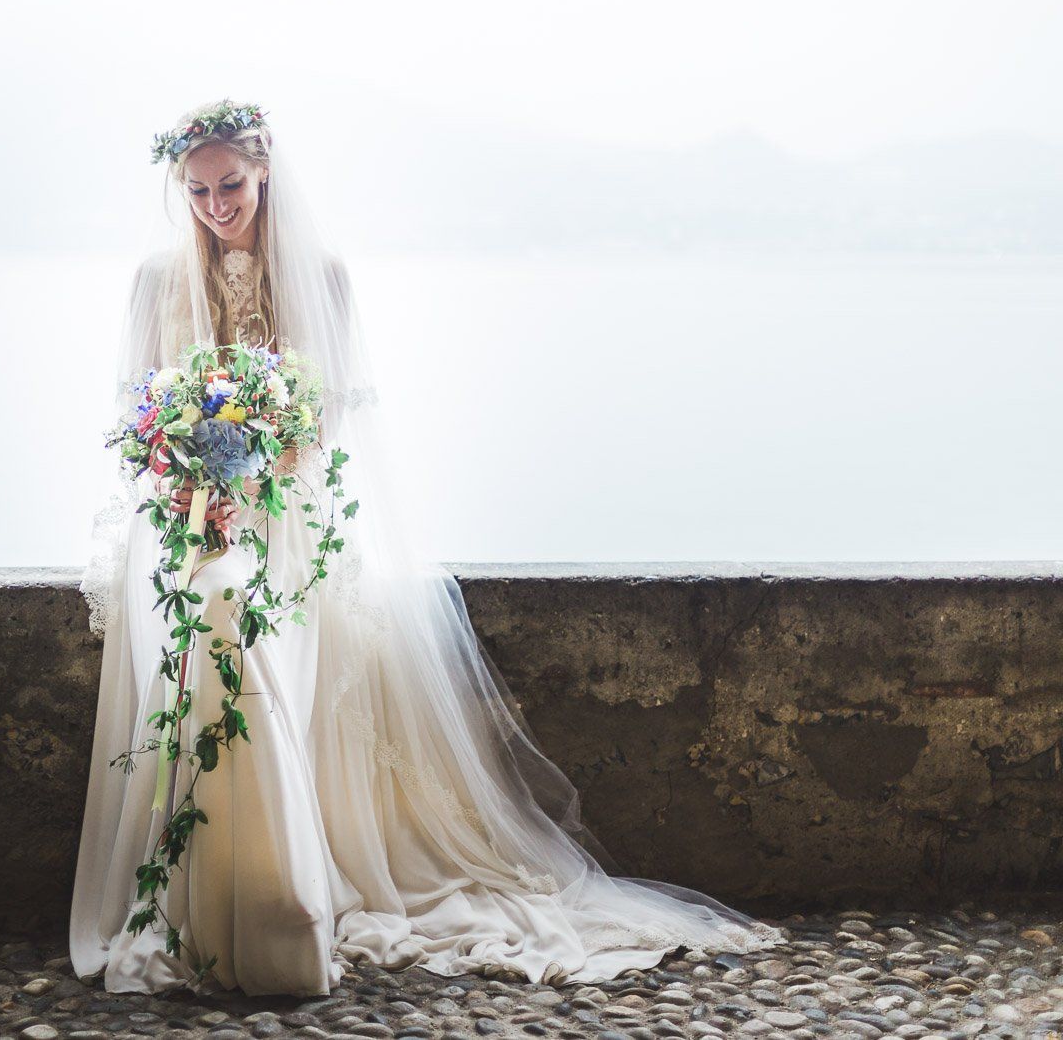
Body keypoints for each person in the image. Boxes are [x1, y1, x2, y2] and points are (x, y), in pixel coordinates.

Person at [72, 99, 788, 998]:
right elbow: (136, 419)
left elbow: (329, 421)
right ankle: (212, 898)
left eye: (232, 187)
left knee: (243, 618)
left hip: (288, 516)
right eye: (199, 191)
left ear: (264, 175)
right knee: (211, 605)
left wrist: (255, 463)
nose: (216, 206)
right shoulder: (154, 280)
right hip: (187, 524)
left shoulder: (322, 275)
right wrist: (195, 487)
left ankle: (281, 901)